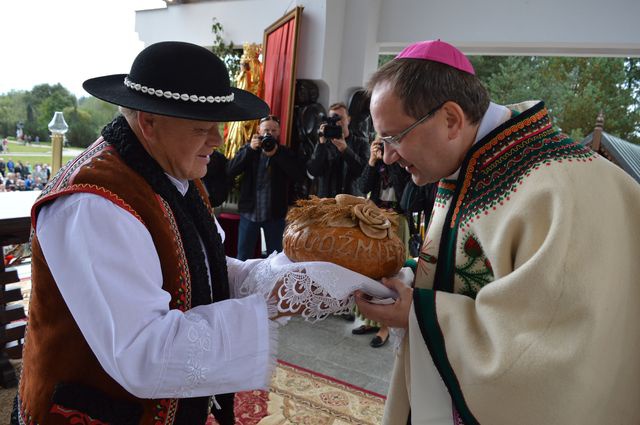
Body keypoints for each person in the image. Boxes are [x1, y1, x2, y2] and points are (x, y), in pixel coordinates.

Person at [14, 41, 364, 425]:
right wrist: (263, 307)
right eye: (202, 128)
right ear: (149, 123)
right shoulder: (93, 205)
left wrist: (288, 280)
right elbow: (144, 353)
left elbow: (197, 267)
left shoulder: (170, 167)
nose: (216, 141)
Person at [355, 39, 640, 425]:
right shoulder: (469, 164)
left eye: (394, 137)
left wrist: (418, 315)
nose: (387, 155)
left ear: (452, 119)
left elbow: (547, 349)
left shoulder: (559, 188)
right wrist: (405, 275)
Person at [352, 136, 412, 347]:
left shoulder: (404, 161)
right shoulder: (375, 161)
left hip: (397, 220)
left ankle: (386, 326)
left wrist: (390, 160)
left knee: (392, 271)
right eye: (381, 144)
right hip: (375, 220)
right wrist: (371, 160)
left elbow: (405, 190)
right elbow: (362, 186)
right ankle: (371, 320)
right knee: (373, 269)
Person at [227, 115, 305, 260]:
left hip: (274, 215)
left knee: (275, 258)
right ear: (258, 130)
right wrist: (249, 150)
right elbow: (230, 170)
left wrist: (277, 155)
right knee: (243, 256)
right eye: (266, 130)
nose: (269, 133)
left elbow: (299, 175)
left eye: (274, 130)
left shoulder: (285, 152)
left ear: (279, 132)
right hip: (249, 213)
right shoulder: (249, 149)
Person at [305, 102, 369, 198]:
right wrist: (321, 144)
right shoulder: (323, 144)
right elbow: (314, 171)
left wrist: (345, 149)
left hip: (351, 201)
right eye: (332, 119)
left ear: (348, 119)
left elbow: (364, 173)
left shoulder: (362, 143)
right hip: (326, 202)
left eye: (340, 118)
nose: (337, 122)